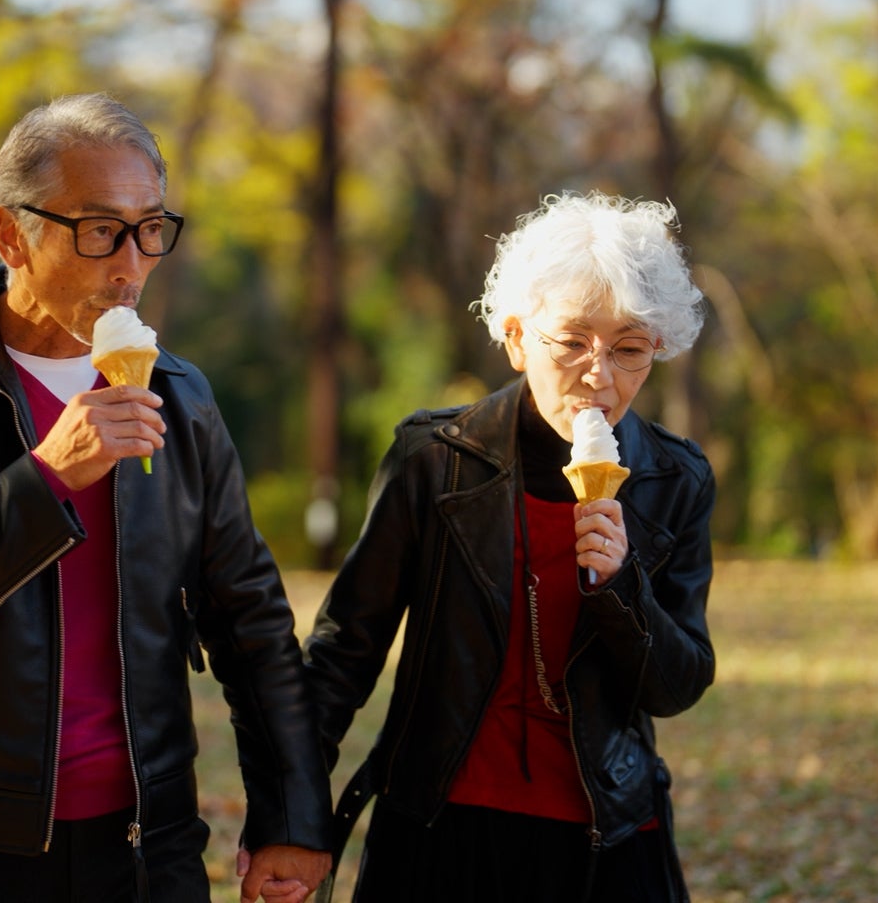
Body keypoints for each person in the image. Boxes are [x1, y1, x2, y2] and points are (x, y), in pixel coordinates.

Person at [0, 93, 332, 902]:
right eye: (100, 231)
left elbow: (251, 622)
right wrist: (46, 478)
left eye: (150, 229)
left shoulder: (181, 397)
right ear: (11, 235)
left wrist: (293, 815)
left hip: (150, 839)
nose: (131, 265)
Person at [303, 192, 716, 902]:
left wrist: (622, 588)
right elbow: (345, 651)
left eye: (629, 349)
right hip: (442, 826)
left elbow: (677, 687)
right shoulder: (435, 460)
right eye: (572, 341)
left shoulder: (675, 479)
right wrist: (291, 812)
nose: (600, 374)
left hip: (609, 833)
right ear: (519, 338)